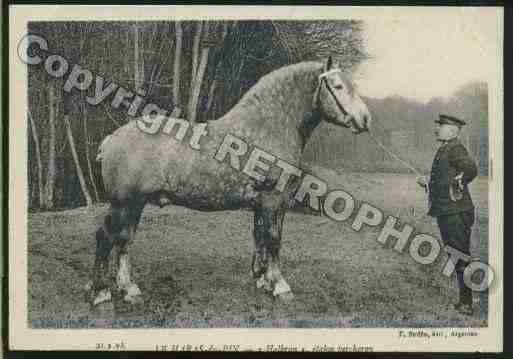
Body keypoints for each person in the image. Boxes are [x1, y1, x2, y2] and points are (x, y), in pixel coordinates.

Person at [417, 114, 478, 316]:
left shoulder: (455, 148)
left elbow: (471, 168)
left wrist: (463, 177)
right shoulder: (446, 148)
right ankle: (465, 300)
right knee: (456, 254)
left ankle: (467, 303)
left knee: (460, 255)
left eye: (441, 127)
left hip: (456, 212)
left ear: (452, 131)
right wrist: (428, 184)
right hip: (449, 212)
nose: (437, 130)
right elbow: (446, 178)